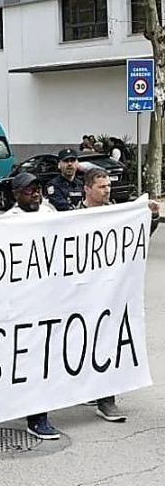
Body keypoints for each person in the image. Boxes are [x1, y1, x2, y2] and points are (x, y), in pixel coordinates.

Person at [74, 168, 159, 422]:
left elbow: (136, 238)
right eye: (101, 187)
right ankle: (87, 388)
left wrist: (152, 218)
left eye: (108, 186)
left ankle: (106, 400)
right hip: (82, 292)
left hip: (111, 291)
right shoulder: (73, 217)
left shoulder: (118, 214)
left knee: (107, 342)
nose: (107, 190)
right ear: (87, 189)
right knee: (82, 343)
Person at [0, 172, 61, 438]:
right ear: (16, 195)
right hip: (21, 304)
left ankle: (38, 415)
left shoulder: (49, 212)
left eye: (37, 189)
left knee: (42, 359)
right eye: (28, 190)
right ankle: (29, 413)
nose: (35, 194)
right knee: (24, 360)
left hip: (48, 299)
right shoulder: (8, 222)